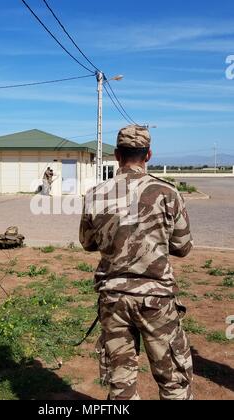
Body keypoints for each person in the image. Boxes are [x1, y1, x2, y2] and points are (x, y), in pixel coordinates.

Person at [79, 125, 194, 401]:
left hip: (113, 299)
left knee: (121, 384)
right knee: (173, 381)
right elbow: (183, 247)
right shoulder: (167, 192)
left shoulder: (95, 194)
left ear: (117, 155)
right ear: (149, 155)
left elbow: (87, 242)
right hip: (156, 300)